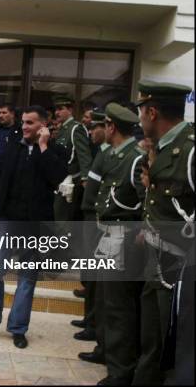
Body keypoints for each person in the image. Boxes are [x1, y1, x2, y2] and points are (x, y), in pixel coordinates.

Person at [0, 105, 67, 348]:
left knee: (27, 278)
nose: (24, 126)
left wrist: (44, 147)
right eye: (24, 122)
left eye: (30, 123)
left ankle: (18, 328)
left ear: (43, 125)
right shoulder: (13, 144)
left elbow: (57, 176)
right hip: (7, 219)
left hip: (36, 224)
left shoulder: (55, 150)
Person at [133, 80, 194, 386]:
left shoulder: (191, 149)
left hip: (179, 270)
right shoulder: (164, 147)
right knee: (151, 346)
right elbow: (167, 200)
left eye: (141, 112)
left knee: (172, 353)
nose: (139, 119)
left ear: (152, 112)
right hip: (156, 262)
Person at [84, 103, 147, 385]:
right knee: (104, 298)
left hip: (123, 235)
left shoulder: (135, 157)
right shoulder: (117, 153)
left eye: (105, 124)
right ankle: (105, 349)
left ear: (111, 127)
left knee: (119, 305)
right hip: (107, 233)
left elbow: (147, 201)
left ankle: (121, 371)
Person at [73, 109, 108, 351]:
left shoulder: (111, 155)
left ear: (107, 128)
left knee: (97, 279)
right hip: (89, 216)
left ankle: (95, 324)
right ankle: (90, 320)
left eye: (95, 127)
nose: (91, 131)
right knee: (91, 274)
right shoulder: (102, 153)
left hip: (99, 221)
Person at [52, 95, 92, 222]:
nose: (56, 112)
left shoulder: (76, 128)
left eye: (60, 109)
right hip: (59, 180)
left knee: (64, 221)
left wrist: (85, 179)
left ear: (70, 110)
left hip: (70, 182)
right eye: (56, 109)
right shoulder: (62, 129)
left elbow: (84, 156)